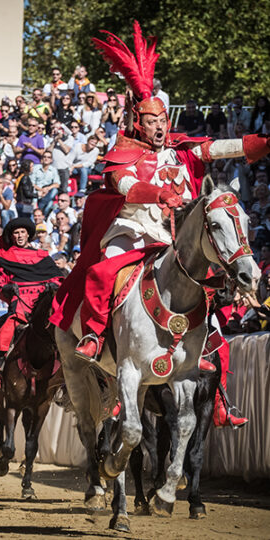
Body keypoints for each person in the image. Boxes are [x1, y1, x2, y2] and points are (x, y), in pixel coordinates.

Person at [50, 21, 270, 427]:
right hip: (131, 234)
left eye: (163, 121)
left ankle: (217, 394)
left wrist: (257, 145)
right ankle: (95, 335)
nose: (160, 127)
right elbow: (127, 185)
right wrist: (159, 195)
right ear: (138, 120)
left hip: (172, 241)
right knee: (101, 271)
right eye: (152, 122)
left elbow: (213, 147)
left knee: (212, 312)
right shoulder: (122, 153)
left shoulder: (177, 152)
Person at [0, 217, 63, 391]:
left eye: (23, 232)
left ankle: (66, 374)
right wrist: (8, 288)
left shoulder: (42, 256)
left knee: (61, 330)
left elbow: (59, 279)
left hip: (43, 304)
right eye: (16, 232)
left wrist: (53, 286)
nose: (20, 235)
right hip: (20, 303)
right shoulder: (5, 258)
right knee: (8, 327)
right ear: (12, 236)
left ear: (29, 234)